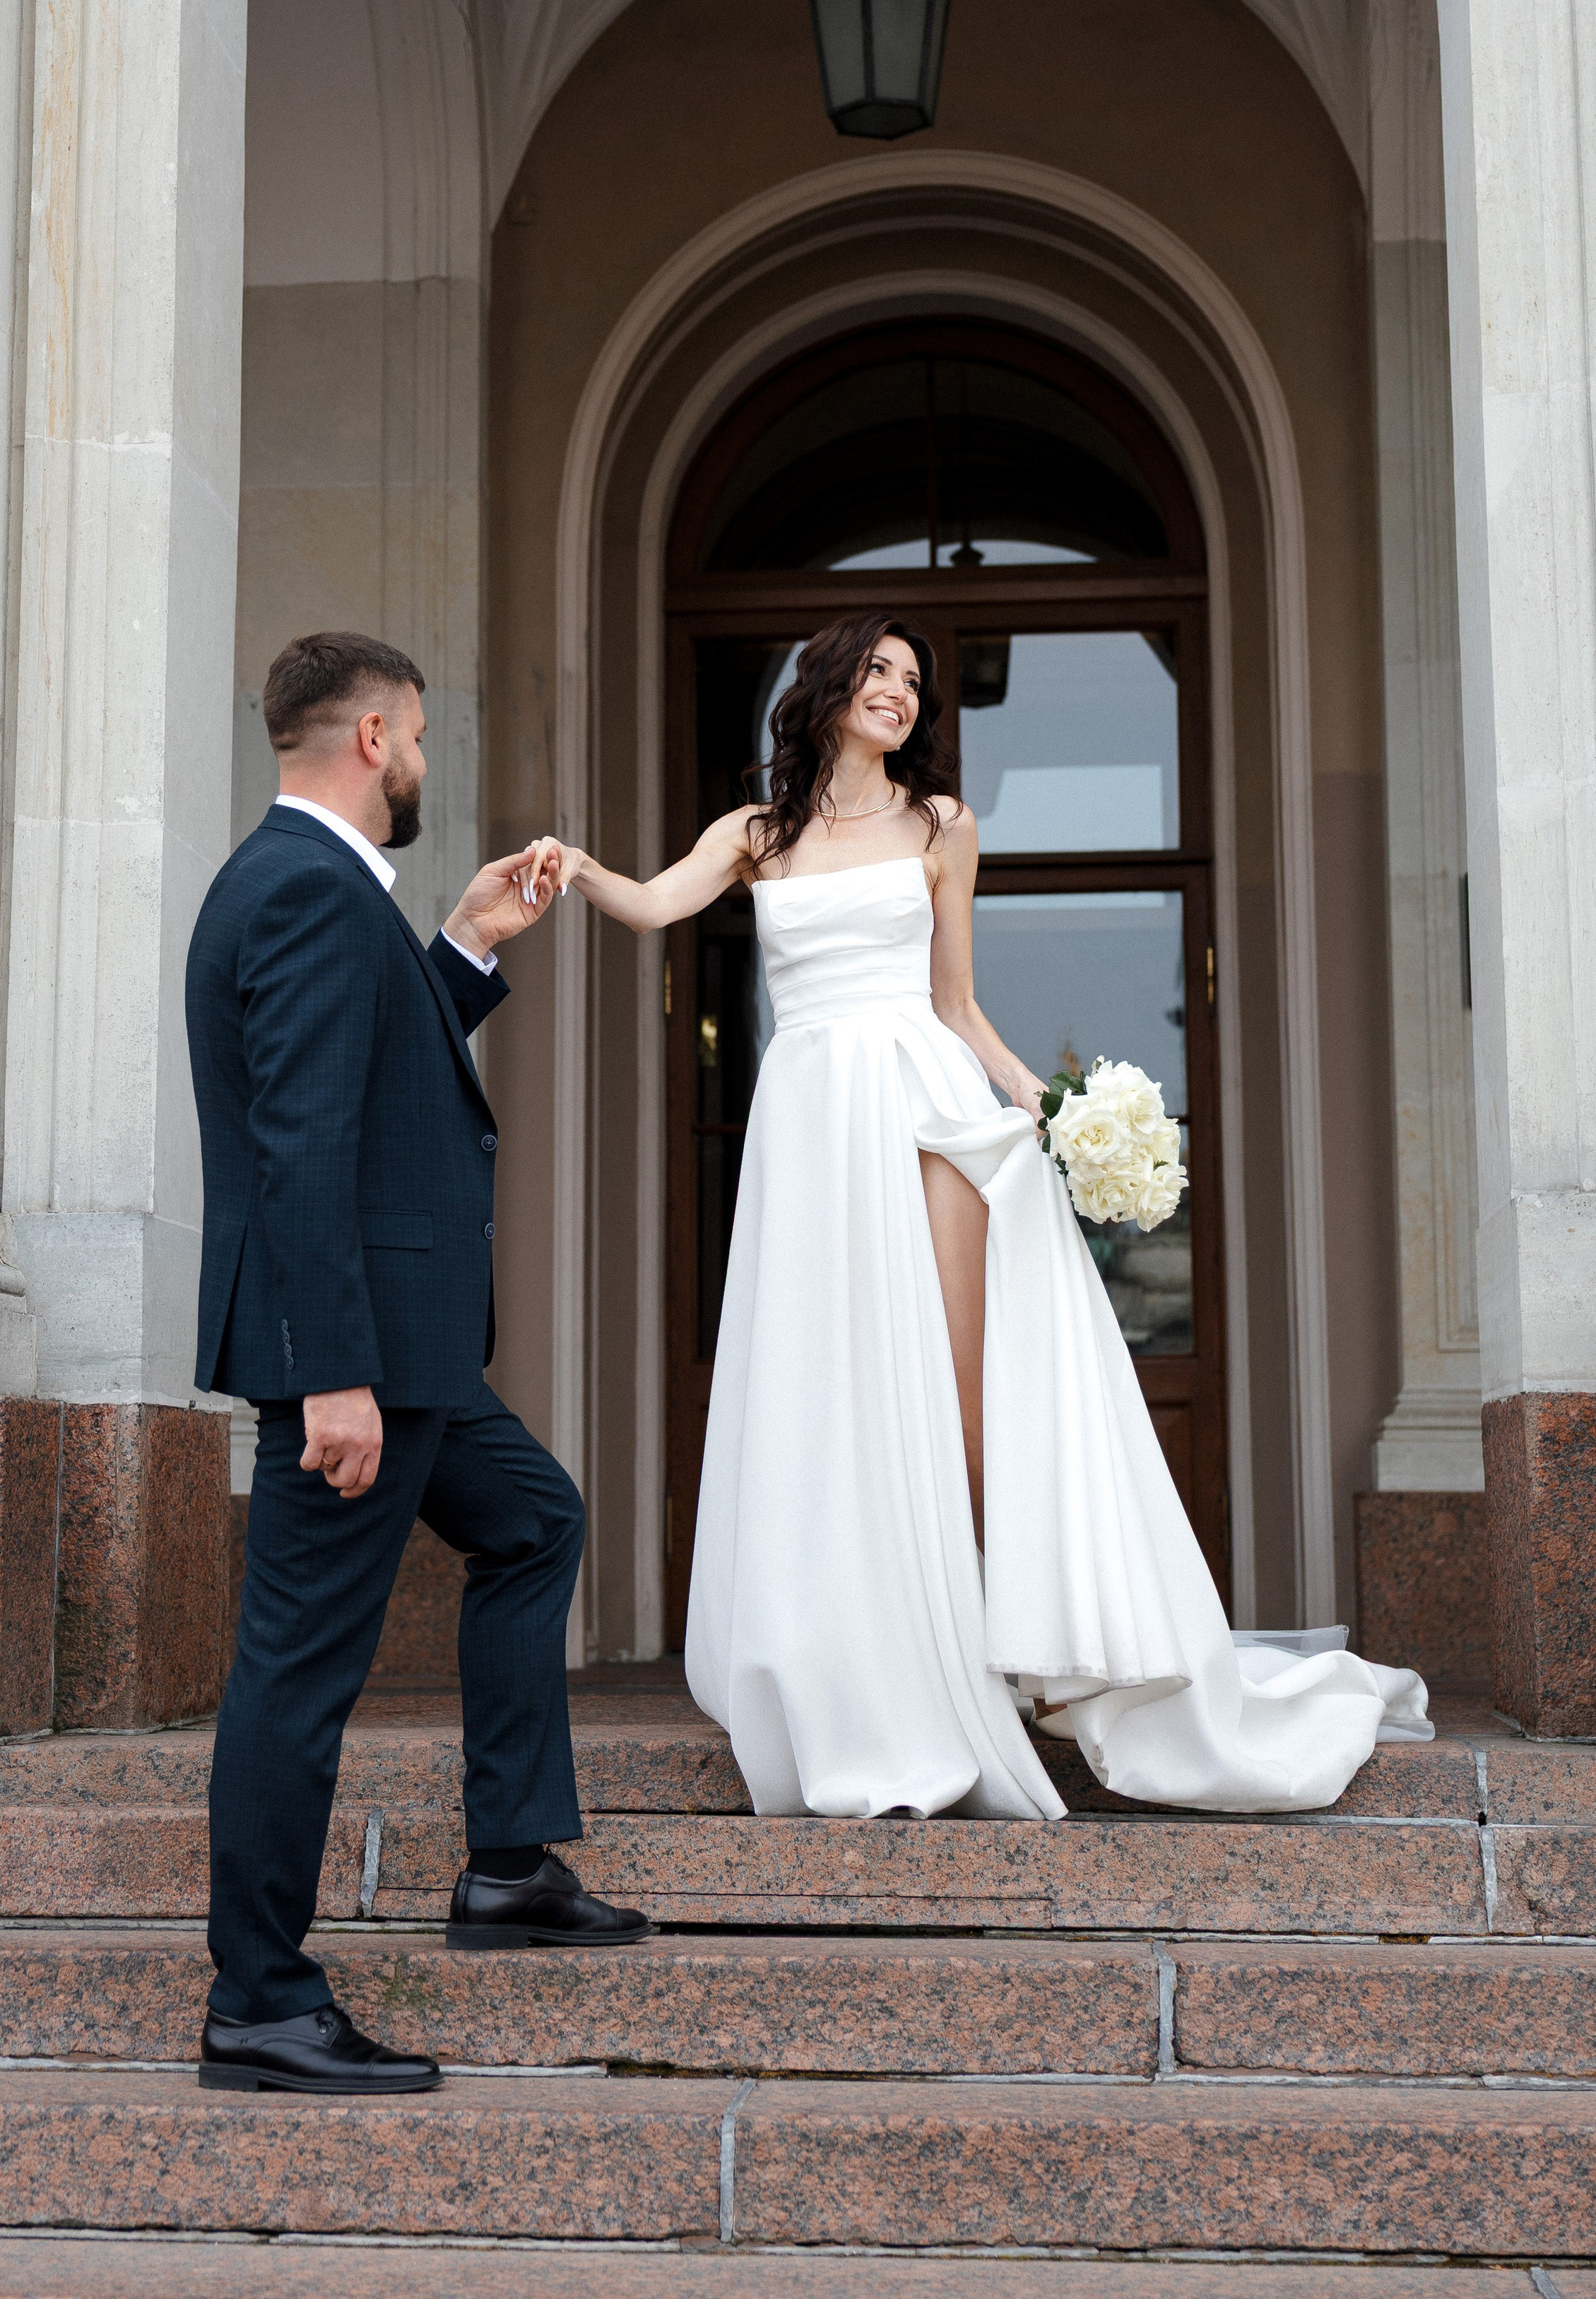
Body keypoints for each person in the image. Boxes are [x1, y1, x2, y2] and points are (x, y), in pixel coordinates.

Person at [543, 610, 1429, 1824]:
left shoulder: (943, 825)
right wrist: (570, 869)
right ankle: (867, 1668)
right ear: (830, 684)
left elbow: (956, 1001)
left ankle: (993, 1656)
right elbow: (650, 904)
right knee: (835, 1398)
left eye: (916, 682)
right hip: (807, 1128)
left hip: (926, 1111)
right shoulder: (756, 834)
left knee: (959, 1409)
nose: (902, 694)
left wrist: (1046, 1103)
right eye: (881, 672)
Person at [188, 630, 649, 2099]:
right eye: (424, 740)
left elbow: (372, 1083)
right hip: (363, 1363)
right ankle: (260, 2002)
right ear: (376, 735)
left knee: (536, 1523)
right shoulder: (311, 894)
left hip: (413, 1352)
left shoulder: (318, 891)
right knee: (296, 1677)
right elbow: (304, 1145)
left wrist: (462, 946)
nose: (426, 766)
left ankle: (508, 1866)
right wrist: (330, 1378)